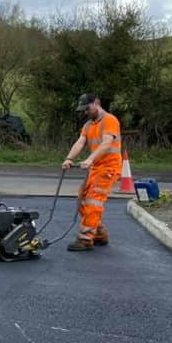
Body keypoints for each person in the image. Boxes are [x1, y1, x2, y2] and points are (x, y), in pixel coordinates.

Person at [62, 93, 122, 251]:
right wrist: (69, 158)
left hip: (109, 167)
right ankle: (99, 234)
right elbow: (80, 142)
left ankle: (86, 239)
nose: (85, 112)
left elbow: (107, 143)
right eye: (83, 110)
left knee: (93, 200)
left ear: (96, 103)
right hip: (95, 168)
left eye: (87, 108)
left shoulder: (110, 120)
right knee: (82, 198)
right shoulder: (88, 125)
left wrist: (89, 159)